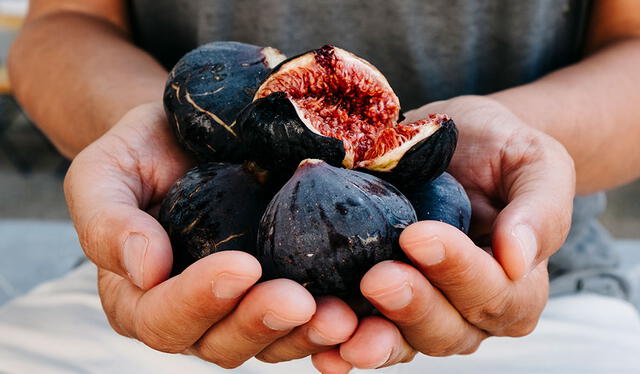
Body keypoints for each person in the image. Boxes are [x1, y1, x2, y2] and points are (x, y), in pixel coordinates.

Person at [2, 0, 640, 372]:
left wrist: (526, 138)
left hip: (518, 269)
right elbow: (64, 24)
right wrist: (167, 122)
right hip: (173, 260)